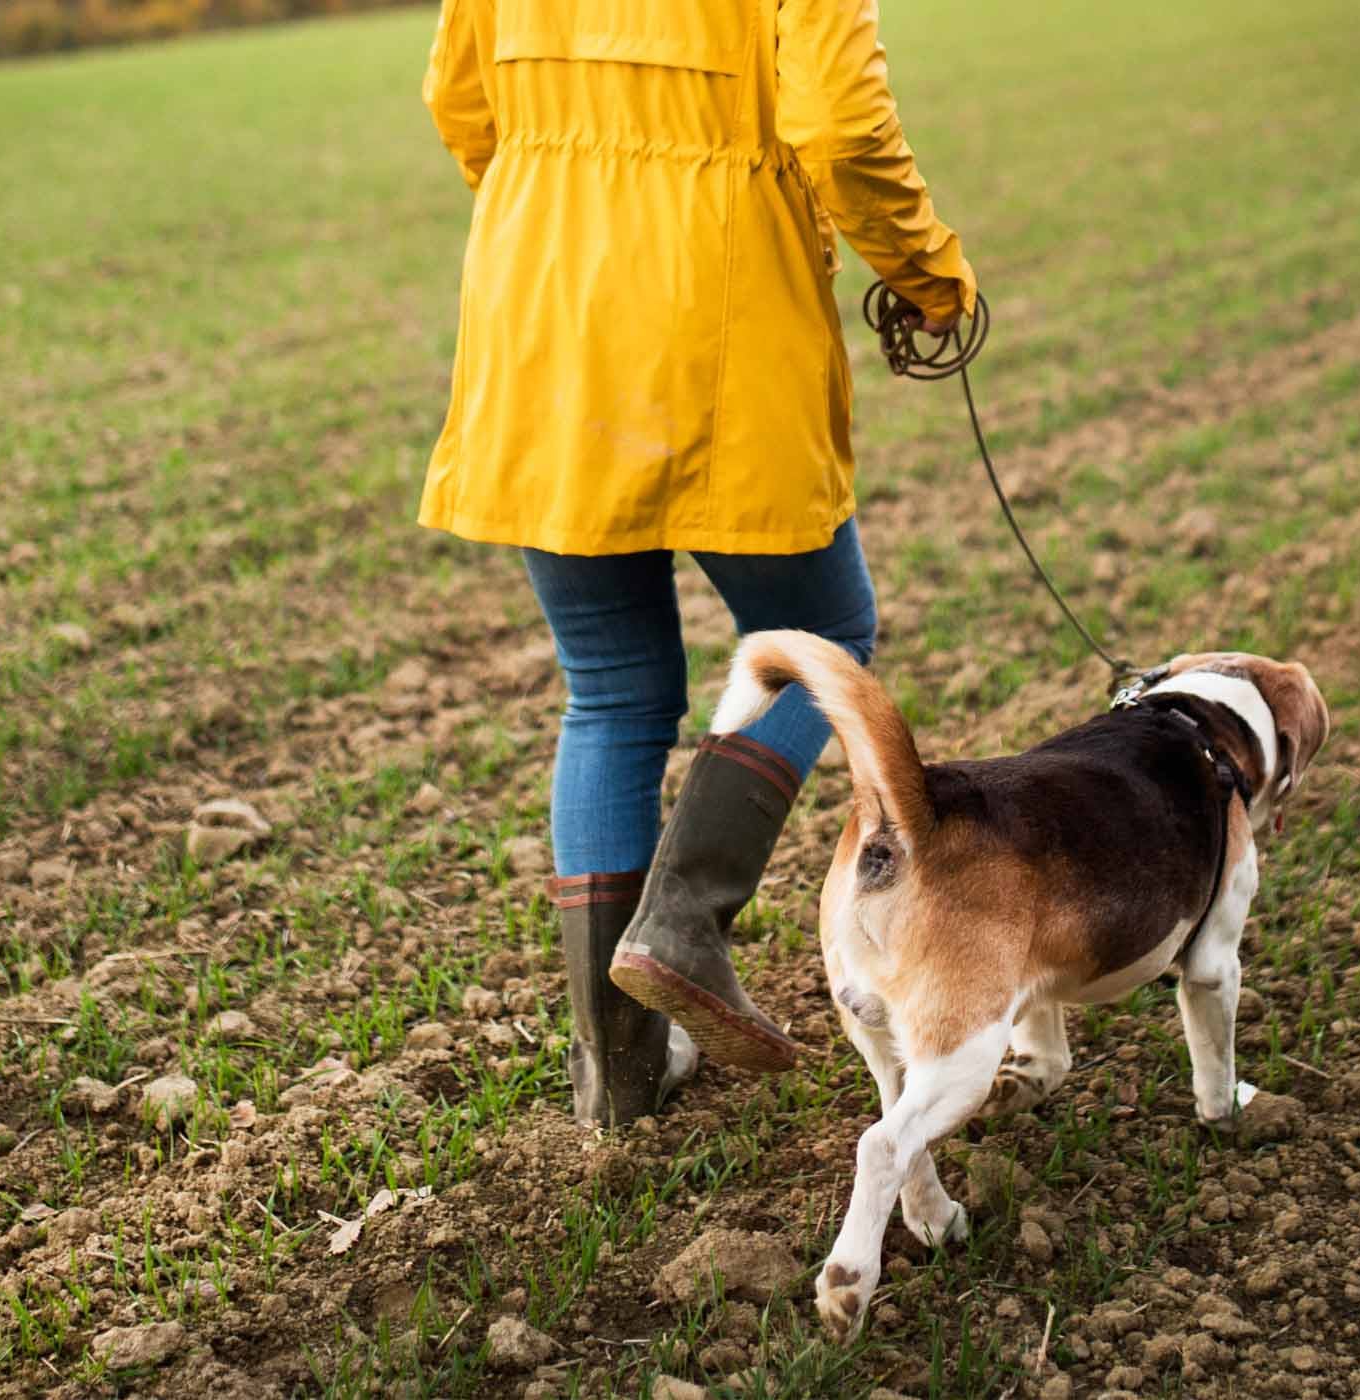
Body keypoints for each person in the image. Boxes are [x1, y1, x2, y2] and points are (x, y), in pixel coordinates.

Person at [419, 0, 976, 1125]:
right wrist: (927, 271)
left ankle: (617, 1072)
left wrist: (566, 215)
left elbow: (460, 106)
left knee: (611, 689)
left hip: (544, 322)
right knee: (825, 639)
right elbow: (842, 127)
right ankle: (682, 919)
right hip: (724, 315)